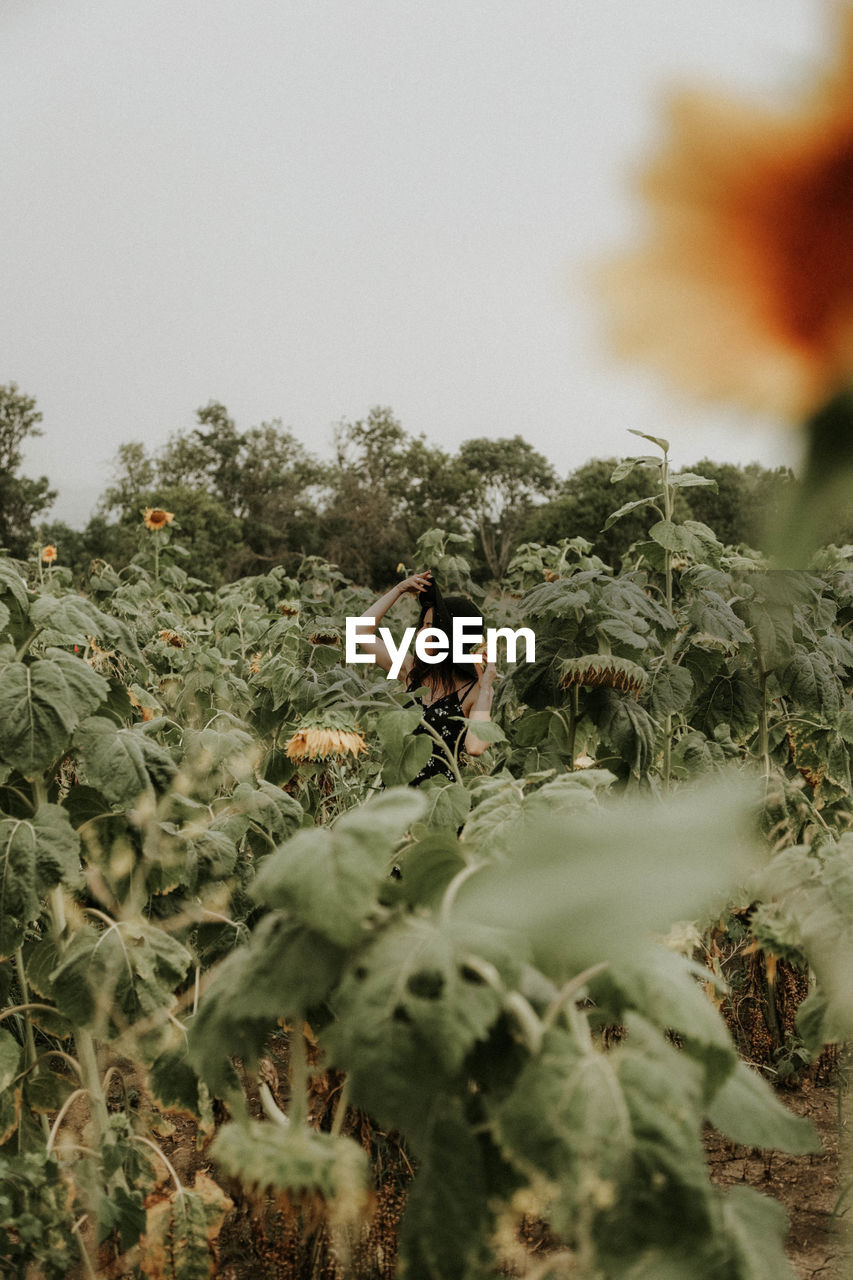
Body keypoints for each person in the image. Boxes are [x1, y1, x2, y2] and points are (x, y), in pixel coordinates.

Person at [361, 569, 496, 785]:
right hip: (398, 797)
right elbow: (358, 632)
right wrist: (399, 589)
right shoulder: (410, 670)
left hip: (437, 802)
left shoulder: (473, 689)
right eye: (421, 625)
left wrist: (487, 687)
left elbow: (475, 747)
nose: (420, 633)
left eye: (430, 626)